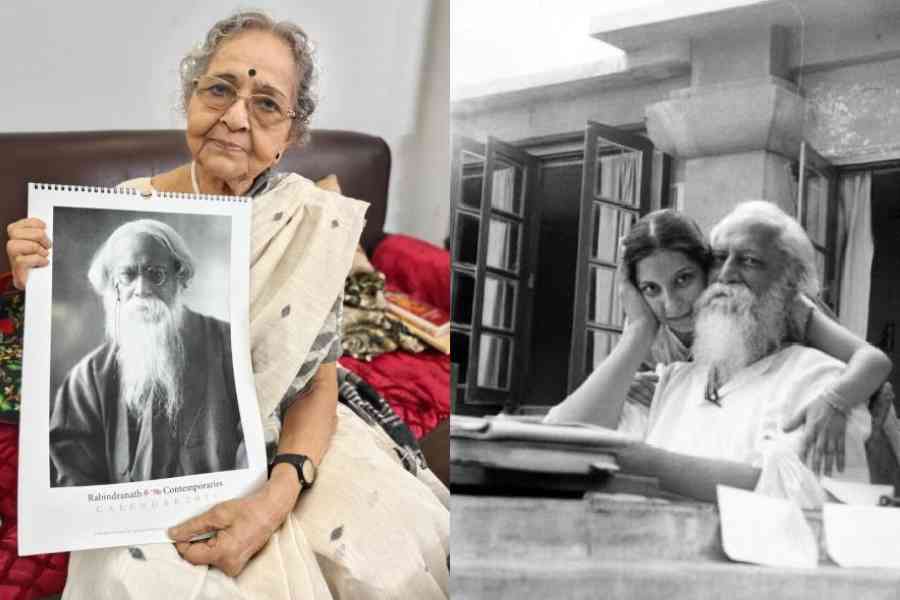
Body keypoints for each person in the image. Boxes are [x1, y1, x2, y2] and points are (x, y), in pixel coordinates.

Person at [7, 11, 448, 599]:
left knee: (386, 555)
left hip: (295, 439)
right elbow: (65, 440)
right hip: (147, 483)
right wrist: (35, 278)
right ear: (191, 97)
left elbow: (316, 384)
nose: (236, 118)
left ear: (289, 134)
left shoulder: (306, 223)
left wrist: (274, 499)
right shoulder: (120, 209)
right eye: (220, 90)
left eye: (266, 104)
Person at [548, 202, 893, 485]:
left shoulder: (802, 331)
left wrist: (837, 399)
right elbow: (560, 441)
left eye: (749, 261)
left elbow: (871, 360)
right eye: (719, 258)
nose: (672, 305)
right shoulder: (669, 370)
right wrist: (639, 330)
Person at [50, 219, 245, 487]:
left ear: (180, 278)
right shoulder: (88, 378)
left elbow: (256, 439)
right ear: (111, 287)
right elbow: (74, 474)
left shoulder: (230, 345)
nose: (141, 289)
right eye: (126, 276)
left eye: (156, 274)